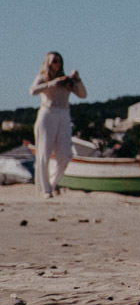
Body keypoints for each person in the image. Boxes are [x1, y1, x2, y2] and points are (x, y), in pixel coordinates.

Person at [29, 52, 87, 199]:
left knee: (64, 155)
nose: (58, 64)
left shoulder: (67, 81)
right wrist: (52, 83)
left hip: (64, 114)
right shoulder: (43, 77)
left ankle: (52, 183)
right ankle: (45, 189)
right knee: (44, 153)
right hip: (47, 113)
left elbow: (83, 95)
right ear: (48, 63)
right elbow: (33, 91)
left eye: (60, 61)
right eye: (55, 61)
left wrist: (77, 80)